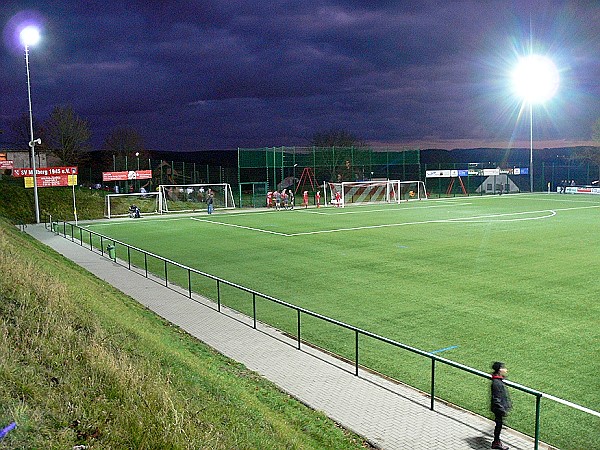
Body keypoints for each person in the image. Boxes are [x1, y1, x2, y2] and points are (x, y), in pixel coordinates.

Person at [490, 361, 511, 450]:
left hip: (499, 408)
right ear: (499, 370)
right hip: (498, 409)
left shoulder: (498, 380)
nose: (505, 369)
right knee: (498, 425)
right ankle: (496, 443)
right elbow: (496, 399)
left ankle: (497, 441)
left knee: (499, 425)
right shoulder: (496, 383)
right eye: (503, 368)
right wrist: (502, 410)